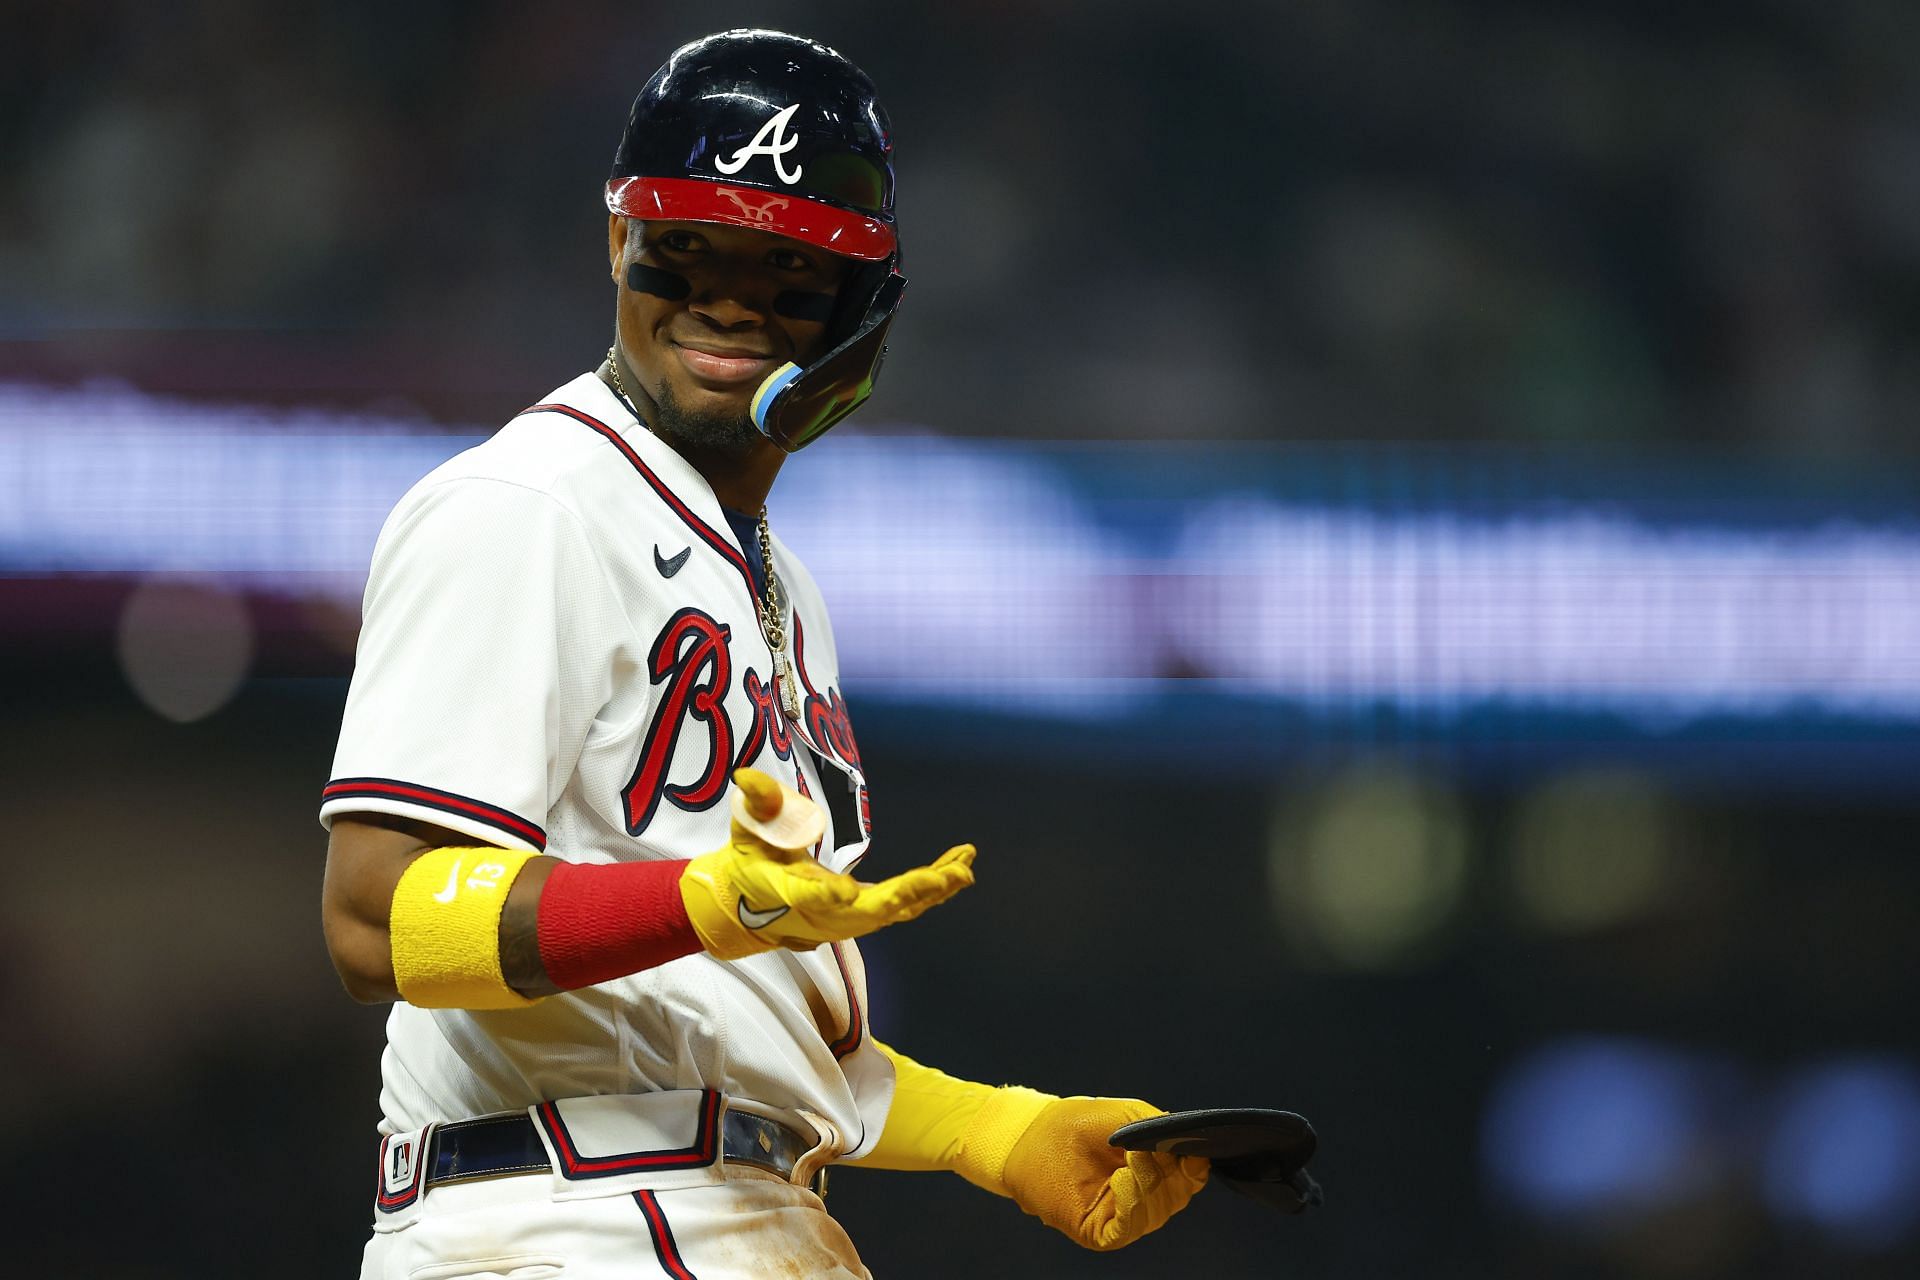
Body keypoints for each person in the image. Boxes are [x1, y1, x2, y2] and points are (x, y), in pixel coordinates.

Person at [319, 29, 1207, 1278]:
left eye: (789, 271)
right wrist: (701, 898)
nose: (729, 300)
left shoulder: (780, 587)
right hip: (562, 1214)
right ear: (618, 244)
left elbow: (744, 1031)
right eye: (686, 252)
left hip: (728, 1200)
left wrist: (996, 1130)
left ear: (862, 312)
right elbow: (378, 919)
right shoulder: (531, 502)